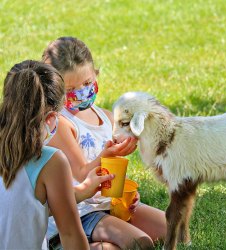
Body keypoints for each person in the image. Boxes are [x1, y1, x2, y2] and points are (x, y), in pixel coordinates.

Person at [42, 37, 167, 249]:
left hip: (108, 204)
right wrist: (106, 156)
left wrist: (125, 194)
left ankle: (103, 242)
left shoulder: (107, 117)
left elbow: (112, 170)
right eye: (70, 89)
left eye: (87, 83)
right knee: (141, 243)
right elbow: (82, 174)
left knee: (174, 229)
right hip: (78, 212)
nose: (81, 92)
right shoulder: (60, 122)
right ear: (55, 88)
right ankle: (70, 244)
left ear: (96, 75)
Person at [0, 60, 114, 249]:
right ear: (52, 118)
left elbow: (19, 206)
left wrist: (82, 191)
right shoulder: (49, 160)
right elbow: (71, 236)